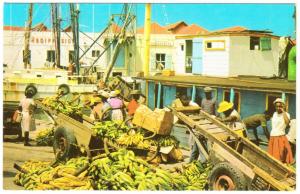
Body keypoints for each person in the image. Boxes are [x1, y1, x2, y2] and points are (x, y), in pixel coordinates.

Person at [189, 87, 216, 163]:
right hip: (203, 122)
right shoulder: (203, 100)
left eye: (208, 93)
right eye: (206, 93)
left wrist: (214, 120)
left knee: (206, 142)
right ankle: (193, 160)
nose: (207, 94)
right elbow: (202, 111)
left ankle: (205, 160)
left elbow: (216, 113)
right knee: (198, 140)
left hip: (210, 123)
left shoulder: (214, 101)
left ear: (211, 93)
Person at [268, 98, 294, 164]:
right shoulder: (274, 114)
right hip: (273, 136)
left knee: (282, 155)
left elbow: (287, 123)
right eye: (277, 106)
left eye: (280, 106)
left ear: (283, 106)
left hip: (280, 136)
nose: (278, 108)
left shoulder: (286, 114)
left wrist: (283, 112)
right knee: (274, 156)